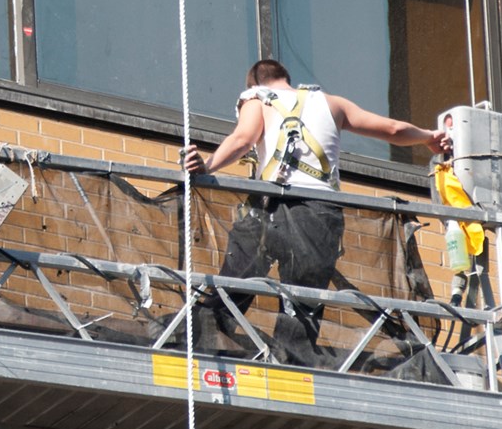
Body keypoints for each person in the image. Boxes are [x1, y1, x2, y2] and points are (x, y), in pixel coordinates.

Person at [180, 58, 450, 364]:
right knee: (302, 305)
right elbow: (392, 129)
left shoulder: (255, 97)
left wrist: (206, 166)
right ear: (286, 78)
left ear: (254, 84)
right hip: (321, 214)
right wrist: (429, 137)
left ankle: (195, 342)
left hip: (270, 206)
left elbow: (243, 139)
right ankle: (290, 364)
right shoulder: (333, 104)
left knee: (234, 284)